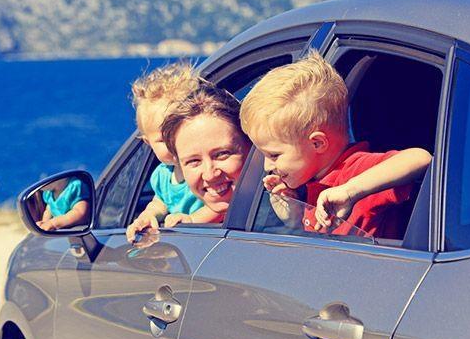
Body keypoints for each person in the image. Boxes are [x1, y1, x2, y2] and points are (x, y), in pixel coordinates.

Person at [240, 50, 432, 239]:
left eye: (274, 155)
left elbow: (420, 158)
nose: (267, 166)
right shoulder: (311, 182)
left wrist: (350, 191)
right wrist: (295, 218)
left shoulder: (357, 171)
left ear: (317, 143)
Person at [126, 62, 220, 243]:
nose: (176, 145)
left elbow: (222, 205)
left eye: (181, 135)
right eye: (163, 140)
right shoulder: (162, 175)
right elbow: (160, 202)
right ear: (148, 143)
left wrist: (193, 220)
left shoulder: (207, 172)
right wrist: (147, 215)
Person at [159, 83, 252, 219]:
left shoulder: (282, 204)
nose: (209, 175)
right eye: (194, 161)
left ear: (251, 144)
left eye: (222, 154)